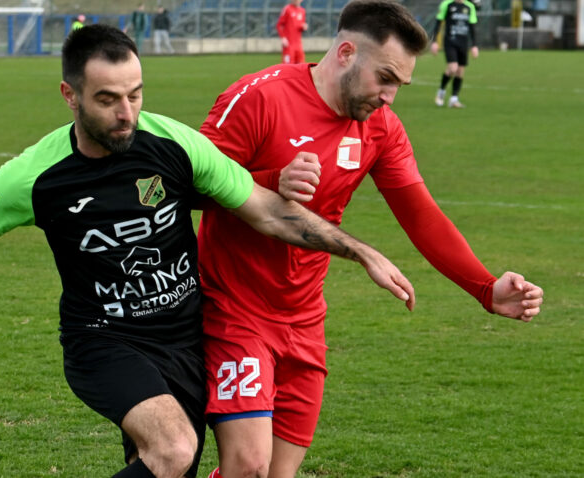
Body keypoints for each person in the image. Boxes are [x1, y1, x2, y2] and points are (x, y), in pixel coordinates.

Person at [0, 24, 416, 478]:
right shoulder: (31, 178)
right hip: (104, 341)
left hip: (186, 338)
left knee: (166, 464)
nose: (126, 113)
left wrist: (361, 252)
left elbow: (269, 210)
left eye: (135, 94)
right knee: (174, 448)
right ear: (70, 95)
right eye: (107, 99)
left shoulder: (174, 144)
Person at [197, 1, 544, 477]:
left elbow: (420, 215)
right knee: (249, 465)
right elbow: (187, 187)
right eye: (383, 78)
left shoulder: (380, 128)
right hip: (234, 308)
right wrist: (271, 179)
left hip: (304, 319)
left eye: (399, 84)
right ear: (344, 53)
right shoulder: (260, 98)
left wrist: (484, 288)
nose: (389, 96)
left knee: (276, 475)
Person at [431, 0, 479, 108]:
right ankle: (441, 92)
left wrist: (474, 45)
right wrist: (434, 42)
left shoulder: (470, 6)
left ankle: (454, 99)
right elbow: (438, 23)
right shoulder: (446, 4)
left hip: (463, 43)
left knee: (460, 71)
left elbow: (472, 28)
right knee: (453, 68)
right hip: (450, 42)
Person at [276, 0, 308, 64]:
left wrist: (303, 27)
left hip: (298, 44)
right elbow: (279, 25)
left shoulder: (302, 11)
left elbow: (300, 25)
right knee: (288, 65)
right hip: (289, 43)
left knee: (300, 65)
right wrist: (283, 37)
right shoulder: (287, 9)